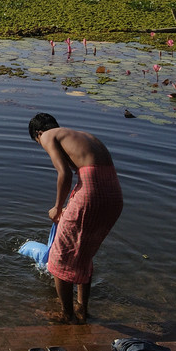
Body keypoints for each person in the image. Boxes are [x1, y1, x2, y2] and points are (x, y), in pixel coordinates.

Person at [28, 113, 123, 324]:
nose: (41, 144)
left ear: (38, 133)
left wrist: (57, 207)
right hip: (114, 196)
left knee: (59, 256)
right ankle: (82, 309)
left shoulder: (47, 135)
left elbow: (65, 173)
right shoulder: (81, 136)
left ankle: (66, 314)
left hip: (91, 194)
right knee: (84, 254)